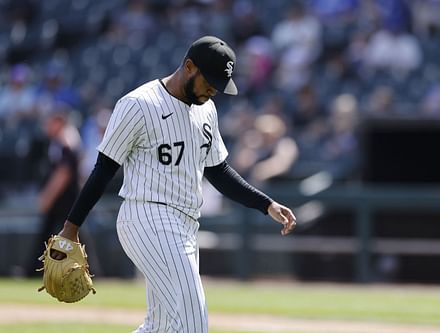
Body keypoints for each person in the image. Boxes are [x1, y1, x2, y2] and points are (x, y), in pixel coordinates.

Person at [51, 35, 296, 333]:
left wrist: (265, 203)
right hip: (147, 217)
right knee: (194, 322)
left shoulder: (206, 109)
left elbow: (218, 171)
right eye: (210, 82)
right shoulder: (138, 104)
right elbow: (103, 168)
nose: (213, 91)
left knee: (161, 326)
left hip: (186, 224)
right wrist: (71, 227)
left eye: (219, 85)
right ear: (189, 66)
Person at [25, 110, 81, 276]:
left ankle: (35, 270)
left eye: (51, 122)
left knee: (71, 234)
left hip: (65, 199)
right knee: (50, 232)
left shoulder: (66, 140)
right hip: (65, 198)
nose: (47, 126)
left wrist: (47, 196)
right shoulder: (61, 140)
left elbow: (64, 172)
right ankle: (34, 269)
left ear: (59, 122)